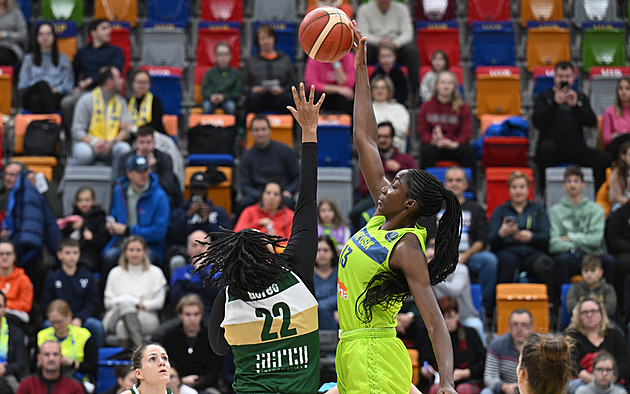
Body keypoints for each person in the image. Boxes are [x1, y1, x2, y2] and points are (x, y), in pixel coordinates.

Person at [333, 25, 461, 394]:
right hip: (352, 349)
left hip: (374, 353)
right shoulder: (379, 216)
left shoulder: (406, 247)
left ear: (408, 204)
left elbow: (435, 323)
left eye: (395, 184)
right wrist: (361, 71)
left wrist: (448, 382)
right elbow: (366, 140)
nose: (384, 186)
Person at [197, 83, 322, 393]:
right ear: (269, 251)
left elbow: (219, 348)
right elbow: (306, 199)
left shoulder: (229, 296)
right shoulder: (296, 271)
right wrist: (309, 131)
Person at [533, 61, 611, 190]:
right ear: (554, 78)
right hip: (552, 148)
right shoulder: (544, 97)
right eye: (560, 76)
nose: (564, 79)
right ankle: (544, 193)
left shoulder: (580, 97)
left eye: (567, 76)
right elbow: (537, 122)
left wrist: (576, 106)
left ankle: (597, 196)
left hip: (576, 148)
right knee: (544, 150)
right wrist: (555, 103)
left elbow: (591, 121)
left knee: (604, 158)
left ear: (573, 78)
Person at [549, 165, 615, 300]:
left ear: (583, 184)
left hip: (594, 254)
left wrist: (570, 237)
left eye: (576, 181)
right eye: (569, 181)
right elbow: (554, 244)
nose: (572, 185)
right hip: (569, 255)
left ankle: (611, 308)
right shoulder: (555, 210)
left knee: (610, 261)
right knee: (561, 261)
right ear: (564, 185)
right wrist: (581, 242)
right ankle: (561, 307)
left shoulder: (596, 209)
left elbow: (596, 240)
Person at [442, 166, 498, 316]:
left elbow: (481, 240)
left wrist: (465, 256)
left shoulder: (476, 209)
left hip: (468, 256)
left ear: (466, 185)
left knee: (489, 261)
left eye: (459, 180)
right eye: (450, 180)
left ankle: (485, 306)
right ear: (445, 184)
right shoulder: (434, 208)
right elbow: (430, 238)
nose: (454, 184)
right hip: (440, 257)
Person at [102, 155, 170, 278]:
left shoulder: (160, 197)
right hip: (122, 243)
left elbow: (159, 232)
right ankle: (106, 296)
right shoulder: (119, 191)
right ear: (129, 174)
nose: (144, 175)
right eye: (139, 172)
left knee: (147, 257)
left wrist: (127, 230)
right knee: (109, 257)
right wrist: (111, 225)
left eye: (146, 170)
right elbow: (113, 214)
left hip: (149, 246)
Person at [488, 171, 553, 298]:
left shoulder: (538, 209)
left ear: (529, 189)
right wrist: (502, 233)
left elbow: (546, 237)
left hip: (533, 251)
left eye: (522, 187)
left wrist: (532, 237)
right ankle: (500, 304)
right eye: (514, 187)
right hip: (508, 251)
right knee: (507, 262)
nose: (518, 191)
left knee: (545, 264)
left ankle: (549, 306)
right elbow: (491, 241)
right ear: (509, 189)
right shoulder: (500, 210)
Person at [0, 163, 60, 297]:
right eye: (6, 174)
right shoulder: (5, 197)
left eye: (13, 175)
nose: (7, 178)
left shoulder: (32, 194)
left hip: (27, 250)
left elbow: (52, 218)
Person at [350, 121, 418, 230]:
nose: (382, 140)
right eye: (379, 137)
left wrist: (399, 169)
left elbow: (417, 183)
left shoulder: (406, 159)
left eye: (386, 137)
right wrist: (383, 172)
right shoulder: (370, 160)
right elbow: (362, 188)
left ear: (392, 138)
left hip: (401, 199)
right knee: (355, 213)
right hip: (373, 197)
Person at [103, 236, 167, 348]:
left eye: (138, 250)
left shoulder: (156, 272)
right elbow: (107, 303)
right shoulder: (115, 273)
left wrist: (142, 304)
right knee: (126, 305)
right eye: (131, 250)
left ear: (145, 252)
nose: (134, 254)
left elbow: (159, 303)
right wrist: (129, 300)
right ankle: (141, 353)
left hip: (146, 315)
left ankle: (125, 364)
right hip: (115, 315)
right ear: (125, 252)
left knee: (122, 327)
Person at [61, 19, 124, 133]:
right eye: (104, 28)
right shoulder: (83, 52)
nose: (109, 31)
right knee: (66, 103)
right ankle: (74, 135)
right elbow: (74, 72)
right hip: (87, 92)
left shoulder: (115, 51)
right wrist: (75, 87)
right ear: (93, 33)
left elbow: (113, 73)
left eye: (108, 28)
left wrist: (91, 80)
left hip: (107, 91)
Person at [70, 65, 132, 177]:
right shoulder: (86, 100)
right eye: (119, 78)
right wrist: (94, 142)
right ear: (109, 82)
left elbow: (125, 130)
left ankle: (114, 186)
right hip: (89, 144)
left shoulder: (121, 102)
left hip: (112, 144)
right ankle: (67, 185)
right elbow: (77, 131)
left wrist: (112, 142)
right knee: (84, 154)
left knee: (124, 149)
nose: (122, 81)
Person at [41, 238, 104, 348]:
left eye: (75, 253)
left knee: (96, 326)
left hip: (82, 319)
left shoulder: (87, 276)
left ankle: (96, 359)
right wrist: (64, 319)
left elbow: (92, 302)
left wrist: (79, 318)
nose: (72, 256)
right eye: (68, 253)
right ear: (59, 255)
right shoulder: (53, 278)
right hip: (59, 318)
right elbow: (47, 303)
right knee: (47, 325)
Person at [420, 297, 486, 394]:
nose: (446, 321)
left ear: (457, 315)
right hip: (439, 380)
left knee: (463, 390)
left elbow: (483, 362)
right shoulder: (431, 336)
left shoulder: (470, 333)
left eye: (450, 316)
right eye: (442, 317)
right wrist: (425, 370)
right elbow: (424, 361)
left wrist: (466, 372)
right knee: (436, 390)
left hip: (468, 380)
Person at [236, 114, 299, 213]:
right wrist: (264, 197)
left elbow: (297, 177)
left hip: (281, 195)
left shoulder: (285, 150)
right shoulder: (247, 157)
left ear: (270, 130)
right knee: (243, 203)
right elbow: (244, 185)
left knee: (290, 203)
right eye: (256, 130)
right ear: (251, 132)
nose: (260, 133)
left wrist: (289, 191)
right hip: (256, 196)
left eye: (263, 129)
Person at [159, 295, 221, 393]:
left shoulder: (210, 336)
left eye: (196, 314)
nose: (192, 319)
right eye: (188, 314)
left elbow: (215, 369)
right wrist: (180, 380)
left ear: (201, 315)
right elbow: (168, 365)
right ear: (180, 315)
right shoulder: (170, 336)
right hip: (176, 385)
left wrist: (200, 381)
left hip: (206, 386)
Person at [566, 298, 630, 394]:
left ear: (601, 313)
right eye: (584, 312)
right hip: (582, 381)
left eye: (594, 311)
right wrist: (585, 375)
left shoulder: (614, 334)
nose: (590, 315)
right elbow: (569, 361)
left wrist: (612, 378)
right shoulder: (573, 336)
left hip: (611, 381)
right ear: (578, 316)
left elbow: (625, 362)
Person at [356, 0, 420, 93]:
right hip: (374, 45)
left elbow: (408, 34)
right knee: (361, 52)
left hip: (396, 45)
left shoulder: (402, 8)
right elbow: (362, 33)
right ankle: (359, 91)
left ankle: (414, 91)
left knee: (412, 50)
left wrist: (395, 43)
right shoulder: (364, 9)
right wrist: (379, 41)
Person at [418, 70, 476, 170]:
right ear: (436, 86)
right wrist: (433, 140)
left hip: (454, 146)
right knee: (426, 152)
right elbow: (422, 131)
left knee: (468, 152)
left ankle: (470, 185)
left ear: (454, 87)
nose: (446, 86)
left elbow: (466, 132)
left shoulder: (463, 108)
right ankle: (425, 185)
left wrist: (453, 143)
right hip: (435, 145)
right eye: (443, 83)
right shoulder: (426, 107)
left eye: (450, 83)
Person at [37, 299, 97, 387]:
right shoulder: (42, 336)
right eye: (53, 322)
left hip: (77, 380)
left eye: (59, 322)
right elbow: (34, 365)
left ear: (69, 317)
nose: (56, 326)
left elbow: (93, 367)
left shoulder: (83, 335)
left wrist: (73, 363)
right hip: (47, 380)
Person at [117, 125, 180, 209]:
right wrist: (134, 166)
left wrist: (152, 170)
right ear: (136, 143)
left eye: (148, 142)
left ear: (154, 143)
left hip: (157, 197)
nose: (145, 146)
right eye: (142, 143)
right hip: (133, 196)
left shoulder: (165, 158)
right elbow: (120, 183)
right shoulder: (126, 158)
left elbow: (168, 187)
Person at [167, 170, 231, 252]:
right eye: (195, 188)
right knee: (177, 260)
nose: (198, 192)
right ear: (190, 189)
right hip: (185, 251)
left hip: (213, 251)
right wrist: (187, 216)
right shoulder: (179, 212)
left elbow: (226, 240)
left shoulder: (219, 212)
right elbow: (173, 238)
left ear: (207, 190)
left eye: (202, 189)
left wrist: (208, 222)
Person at [18, 22, 73, 114]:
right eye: (41, 34)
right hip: (31, 93)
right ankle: (53, 119)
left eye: (48, 34)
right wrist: (43, 87)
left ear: (54, 37)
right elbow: (22, 85)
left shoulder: (63, 59)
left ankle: (44, 125)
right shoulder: (28, 59)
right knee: (42, 85)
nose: (45, 37)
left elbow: (68, 86)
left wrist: (54, 89)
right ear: (36, 37)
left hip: (54, 95)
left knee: (36, 101)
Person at [242, 25, 296, 114]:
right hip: (259, 97)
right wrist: (253, 89)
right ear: (258, 42)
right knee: (251, 100)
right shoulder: (251, 61)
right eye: (262, 39)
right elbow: (244, 85)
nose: (266, 42)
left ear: (274, 39)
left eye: (269, 38)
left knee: (289, 101)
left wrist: (282, 90)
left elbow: (293, 83)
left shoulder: (285, 59)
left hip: (279, 96)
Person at [432, 261, 486, 346]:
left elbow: (454, 290)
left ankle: (484, 357)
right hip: (440, 318)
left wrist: (433, 279)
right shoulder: (426, 276)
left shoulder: (460, 269)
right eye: (426, 258)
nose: (429, 260)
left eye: (431, 257)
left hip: (465, 316)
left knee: (476, 325)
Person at [169, 230, 222, 316]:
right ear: (188, 249)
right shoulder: (179, 272)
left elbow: (217, 297)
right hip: (185, 316)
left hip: (211, 317)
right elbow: (176, 299)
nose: (198, 249)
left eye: (202, 245)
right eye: (194, 245)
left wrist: (201, 271)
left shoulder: (218, 271)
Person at [481, 309, 535, 394]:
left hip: (533, 389)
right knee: (486, 392)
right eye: (515, 325)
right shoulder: (496, 344)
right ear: (509, 327)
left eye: (524, 325)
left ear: (532, 327)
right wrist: (504, 387)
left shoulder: (540, 347)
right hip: (506, 389)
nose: (519, 329)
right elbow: (489, 376)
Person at [59, 186, 110, 273]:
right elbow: (62, 237)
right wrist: (71, 228)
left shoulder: (99, 217)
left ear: (93, 201)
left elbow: (103, 242)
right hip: (72, 252)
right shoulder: (71, 218)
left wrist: (92, 238)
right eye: (80, 200)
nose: (83, 204)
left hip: (90, 254)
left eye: (87, 200)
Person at [16, 341, 83, 394]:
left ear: (61, 358)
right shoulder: (27, 385)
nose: (51, 358)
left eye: (55, 354)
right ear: (39, 358)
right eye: (46, 354)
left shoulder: (74, 387)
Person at [566, 254, 617, 320]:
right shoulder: (575, 288)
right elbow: (571, 307)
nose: (589, 274)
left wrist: (593, 315)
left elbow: (610, 308)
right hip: (579, 322)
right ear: (581, 272)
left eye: (593, 270)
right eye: (586, 271)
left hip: (604, 322)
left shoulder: (608, 289)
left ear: (600, 273)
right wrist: (586, 314)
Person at [304, 51, 355, 115]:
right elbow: (311, 84)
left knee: (349, 97)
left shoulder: (348, 56)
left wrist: (336, 63)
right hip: (322, 95)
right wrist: (338, 89)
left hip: (339, 98)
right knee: (313, 96)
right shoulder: (315, 57)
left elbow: (349, 84)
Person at [372, 75, 410, 152]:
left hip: (395, 147)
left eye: (383, 88)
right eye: (376, 88)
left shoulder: (399, 109)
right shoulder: (365, 109)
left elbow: (403, 130)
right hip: (373, 146)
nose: (379, 91)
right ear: (371, 90)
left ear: (389, 90)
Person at [0, 290, 27, 394]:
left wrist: (5, 370)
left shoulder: (16, 333)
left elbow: (21, 363)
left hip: (8, 375)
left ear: (5, 309)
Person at [201, 42, 240, 115]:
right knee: (206, 106)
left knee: (230, 106)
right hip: (211, 100)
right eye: (220, 55)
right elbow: (204, 90)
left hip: (228, 100)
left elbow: (237, 92)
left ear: (230, 56)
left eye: (226, 54)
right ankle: (206, 126)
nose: (223, 57)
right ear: (215, 56)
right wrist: (211, 96)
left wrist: (224, 97)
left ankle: (231, 126)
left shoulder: (236, 73)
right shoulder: (209, 73)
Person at [0, 241, 32, 326]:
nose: (4, 257)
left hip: (15, 314)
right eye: (1, 254)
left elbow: (26, 306)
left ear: (14, 256)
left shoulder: (23, 279)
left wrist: (4, 307)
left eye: (8, 254)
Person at [128, 70, 166, 134]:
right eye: (139, 82)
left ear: (150, 85)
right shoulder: (128, 102)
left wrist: (135, 129)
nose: (142, 85)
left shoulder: (155, 101)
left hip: (153, 136)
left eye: (145, 82)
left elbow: (156, 124)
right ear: (133, 84)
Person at [315, 235, 339, 331]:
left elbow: (343, 296)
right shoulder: (308, 274)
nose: (322, 254)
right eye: (318, 250)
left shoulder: (340, 272)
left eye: (326, 250)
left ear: (333, 253)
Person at [601, 77, 630, 154]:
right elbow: (606, 140)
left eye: (627, 88)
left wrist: (616, 134)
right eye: (621, 88)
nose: (624, 91)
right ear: (617, 91)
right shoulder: (609, 112)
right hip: (616, 147)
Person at [0, 0, 26, 66]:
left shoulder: (15, 12)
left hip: (10, 47)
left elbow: (23, 35)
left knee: (2, 56)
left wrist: (5, 34)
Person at [608, 140, 630, 213]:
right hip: (622, 203)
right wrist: (628, 202)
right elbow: (614, 197)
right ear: (622, 156)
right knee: (617, 208)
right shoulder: (617, 172)